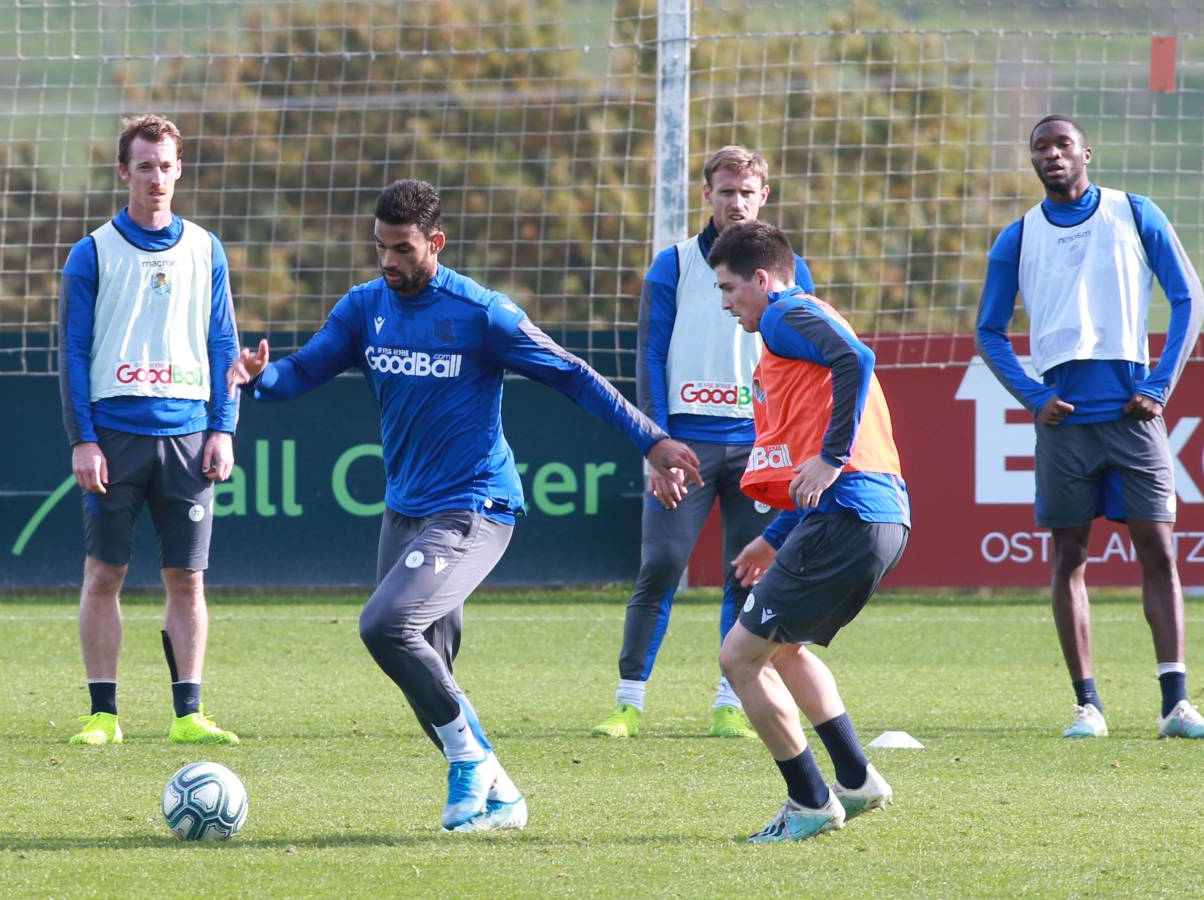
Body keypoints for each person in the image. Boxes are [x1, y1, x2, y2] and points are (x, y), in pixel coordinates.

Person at [226, 179, 702, 833]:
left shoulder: (482, 313)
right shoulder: (365, 307)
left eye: (401, 248)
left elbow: (573, 375)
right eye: (380, 247)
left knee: (384, 626)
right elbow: (301, 372)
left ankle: (472, 765)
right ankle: (503, 797)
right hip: (406, 512)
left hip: (475, 506)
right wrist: (260, 379)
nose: (387, 261)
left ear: (436, 243)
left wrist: (652, 441)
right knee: (428, 673)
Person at [975, 114, 1204, 740]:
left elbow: (1189, 297)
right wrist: (1033, 396)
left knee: (1160, 551)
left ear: (1086, 151)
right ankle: (1088, 705)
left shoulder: (1135, 213)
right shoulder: (1017, 237)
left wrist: (1159, 384)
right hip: (1065, 421)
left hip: (1132, 412)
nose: (1052, 154)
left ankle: (1176, 705)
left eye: (1062, 144)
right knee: (1069, 557)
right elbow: (989, 330)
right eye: (1040, 147)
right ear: (1032, 160)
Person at [591, 146, 818, 741]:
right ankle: (628, 701)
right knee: (661, 565)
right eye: (725, 190)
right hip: (685, 443)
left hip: (758, 446)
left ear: (763, 195)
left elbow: (806, 367)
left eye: (747, 191)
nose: (736, 201)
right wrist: (656, 442)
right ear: (707, 195)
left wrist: (792, 443)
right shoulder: (673, 265)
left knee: (744, 574)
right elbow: (650, 355)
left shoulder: (790, 268)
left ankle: (728, 702)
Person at [710, 221, 911, 842]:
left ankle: (809, 803)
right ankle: (855, 779)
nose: (726, 303)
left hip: (848, 512)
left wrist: (831, 454)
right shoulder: (798, 322)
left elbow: (858, 357)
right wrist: (774, 535)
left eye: (729, 288)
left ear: (762, 280)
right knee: (784, 650)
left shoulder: (781, 314)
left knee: (739, 659)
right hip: (872, 515)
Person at [58, 114, 241, 746]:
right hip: (114, 435)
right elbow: (74, 353)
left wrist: (223, 427)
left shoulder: (205, 249)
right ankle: (103, 715)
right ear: (123, 172)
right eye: (144, 166)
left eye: (165, 165)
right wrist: (83, 439)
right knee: (104, 575)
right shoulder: (92, 253)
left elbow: (223, 344)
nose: (155, 178)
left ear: (179, 169)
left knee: (187, 579)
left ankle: (188, 714)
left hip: (188, 434)